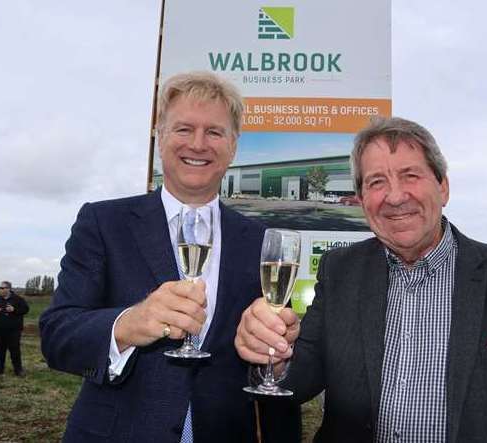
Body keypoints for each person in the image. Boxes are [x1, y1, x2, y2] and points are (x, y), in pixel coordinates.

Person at [235, 117, 487, 442]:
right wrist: (275, 359)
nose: (395, 196)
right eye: (376, 182)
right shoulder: (339, 270)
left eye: (410, 175)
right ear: (361, 200)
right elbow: (301, 378)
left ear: (443, 187)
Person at [40, 71, 299, 443]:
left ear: (233, 146)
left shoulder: (261, 241)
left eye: (214, 132)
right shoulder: (103, 221)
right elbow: (57, 335)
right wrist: (130, 324)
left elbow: (267, 362)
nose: (198, 144)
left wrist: (275, 352)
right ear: (160, 138)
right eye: (183, 129)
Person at [0, 281, 29, 376]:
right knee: (0, 350)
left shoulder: (18, 299)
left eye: (2, 288)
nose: (0, 290)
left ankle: (18, 370)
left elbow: (25, 309)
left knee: (15, 350)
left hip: (14, 330)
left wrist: (14, 310)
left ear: (8, 289)